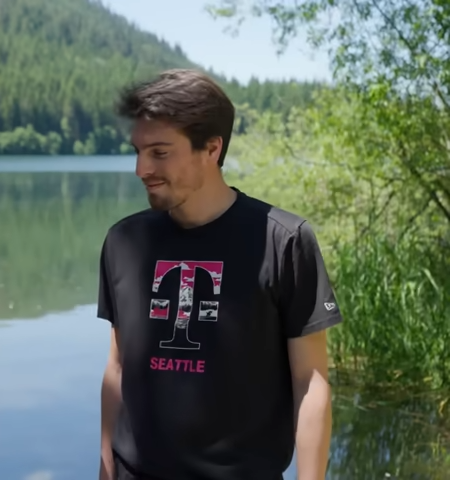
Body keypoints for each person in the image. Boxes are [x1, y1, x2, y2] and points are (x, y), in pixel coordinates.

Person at [97, 69, 341, 480]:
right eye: (137, 150)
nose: (141, 168)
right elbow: (117, 367)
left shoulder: (283, 241)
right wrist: (104, 470)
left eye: (159, 152)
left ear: (212, 148)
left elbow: (311, 379)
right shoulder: (124, 241)